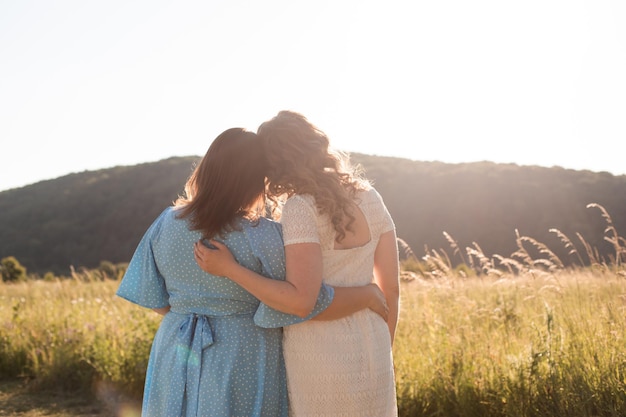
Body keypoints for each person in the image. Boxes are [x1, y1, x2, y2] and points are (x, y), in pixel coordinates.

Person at [116, 127, 387, 417]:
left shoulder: (166, 222)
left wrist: (192, 310)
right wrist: (367, 295)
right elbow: (306, 301)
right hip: (242, 353)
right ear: (255, 181)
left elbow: (156, 300)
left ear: (207, 169)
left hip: (176, 348)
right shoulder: (265, 236)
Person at [194, 111, 400, 416]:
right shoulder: (372, 197)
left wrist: (231, 269)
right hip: (376, 347)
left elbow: (304, 300)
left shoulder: (300, 208)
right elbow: (392, 290)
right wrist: (385, 346)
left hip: (320, 353)